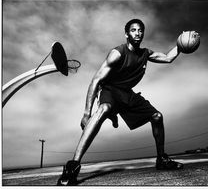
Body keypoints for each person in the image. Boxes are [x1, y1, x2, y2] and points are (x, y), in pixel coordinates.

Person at [57, 18, 184, 186]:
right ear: (126, 34)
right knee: (104, 109)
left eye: (140, 30)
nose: (138, 33)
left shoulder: (146, 53)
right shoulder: (118, 53)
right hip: (110, 89)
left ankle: (161, 159)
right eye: (133, 30)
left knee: (157, 117)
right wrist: (86, 112)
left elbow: (168, 58)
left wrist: (181, 44)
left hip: (127, 94)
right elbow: (95, 81)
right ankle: (73, 166)